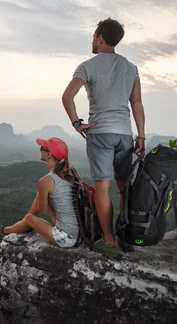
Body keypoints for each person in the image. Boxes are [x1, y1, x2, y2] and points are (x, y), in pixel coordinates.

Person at [61, 17, 145, 257]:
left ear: (99, 38)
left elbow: (67, 96)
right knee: (123, 187)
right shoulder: (131, 68)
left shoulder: (88, 66)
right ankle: (127, 234)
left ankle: (108, 241)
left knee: (102, 187)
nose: (92, 41)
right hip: (124, 134)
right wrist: (141, 136)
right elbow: (137, 102)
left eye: (93, 37)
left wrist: (77, 123)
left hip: (100, 132)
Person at [0, 137, 79, 248]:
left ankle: (5, 231)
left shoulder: (46, 181)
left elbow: (42, 211)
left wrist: (44, 196)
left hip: (66, 238)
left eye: (42, 148)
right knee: (37, 201)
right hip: (79, 233)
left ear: (49, 155)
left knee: (30, 218)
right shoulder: (71, 172)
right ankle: (23, 224)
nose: (40, 149)